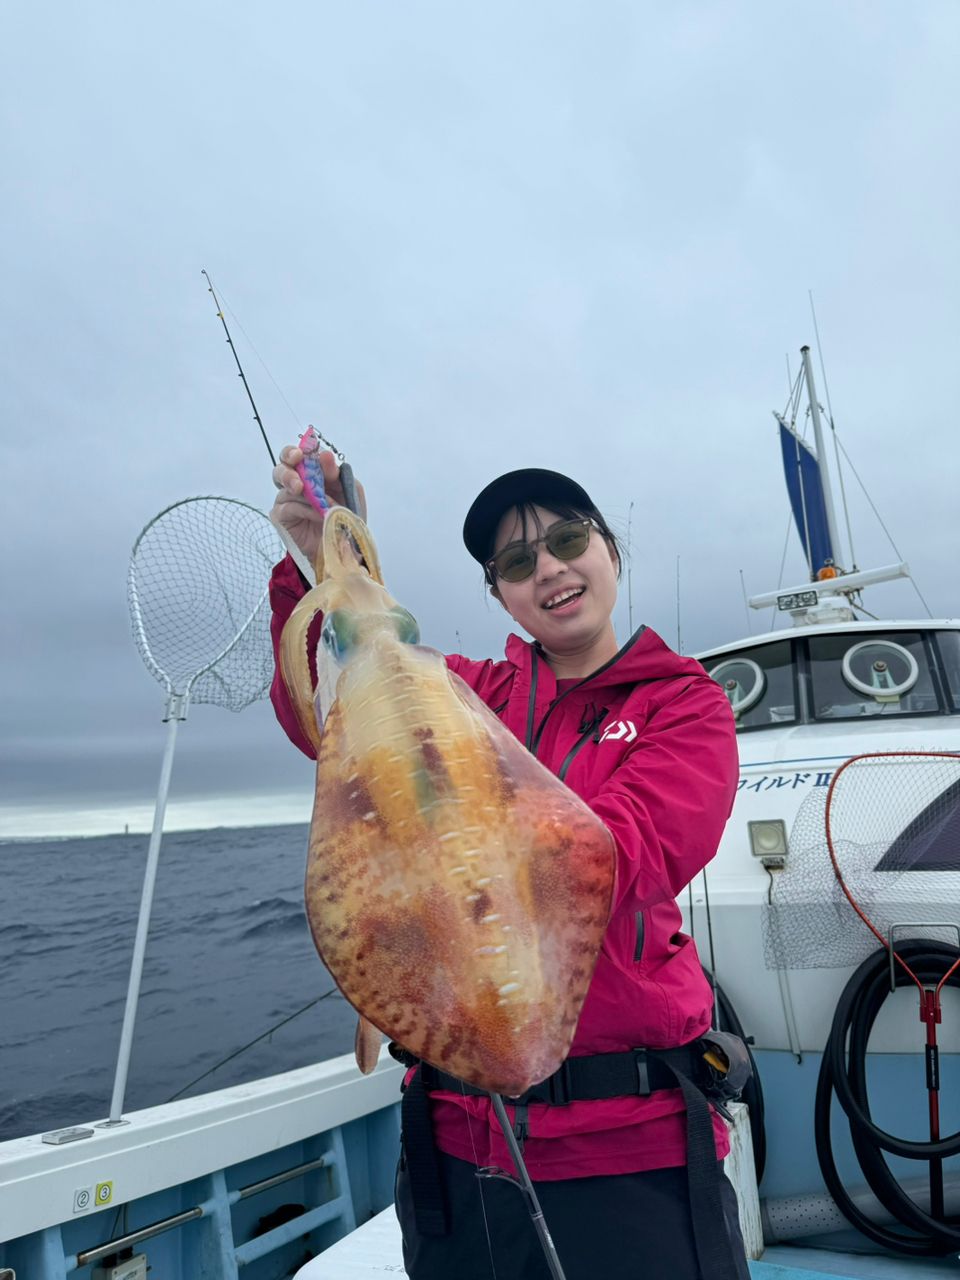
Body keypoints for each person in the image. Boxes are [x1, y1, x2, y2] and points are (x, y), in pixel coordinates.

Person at [269, 444, 749, 1280]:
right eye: (519, 561)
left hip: (631, 1151)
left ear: (608, 550)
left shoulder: (684, 703)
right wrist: (320, 567)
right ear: (499, 592)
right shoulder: (464, 692)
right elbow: (330, 712)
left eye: (568, 541)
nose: (551, 570)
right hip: (458, 1148)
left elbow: (625, 854)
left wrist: (439, 851)